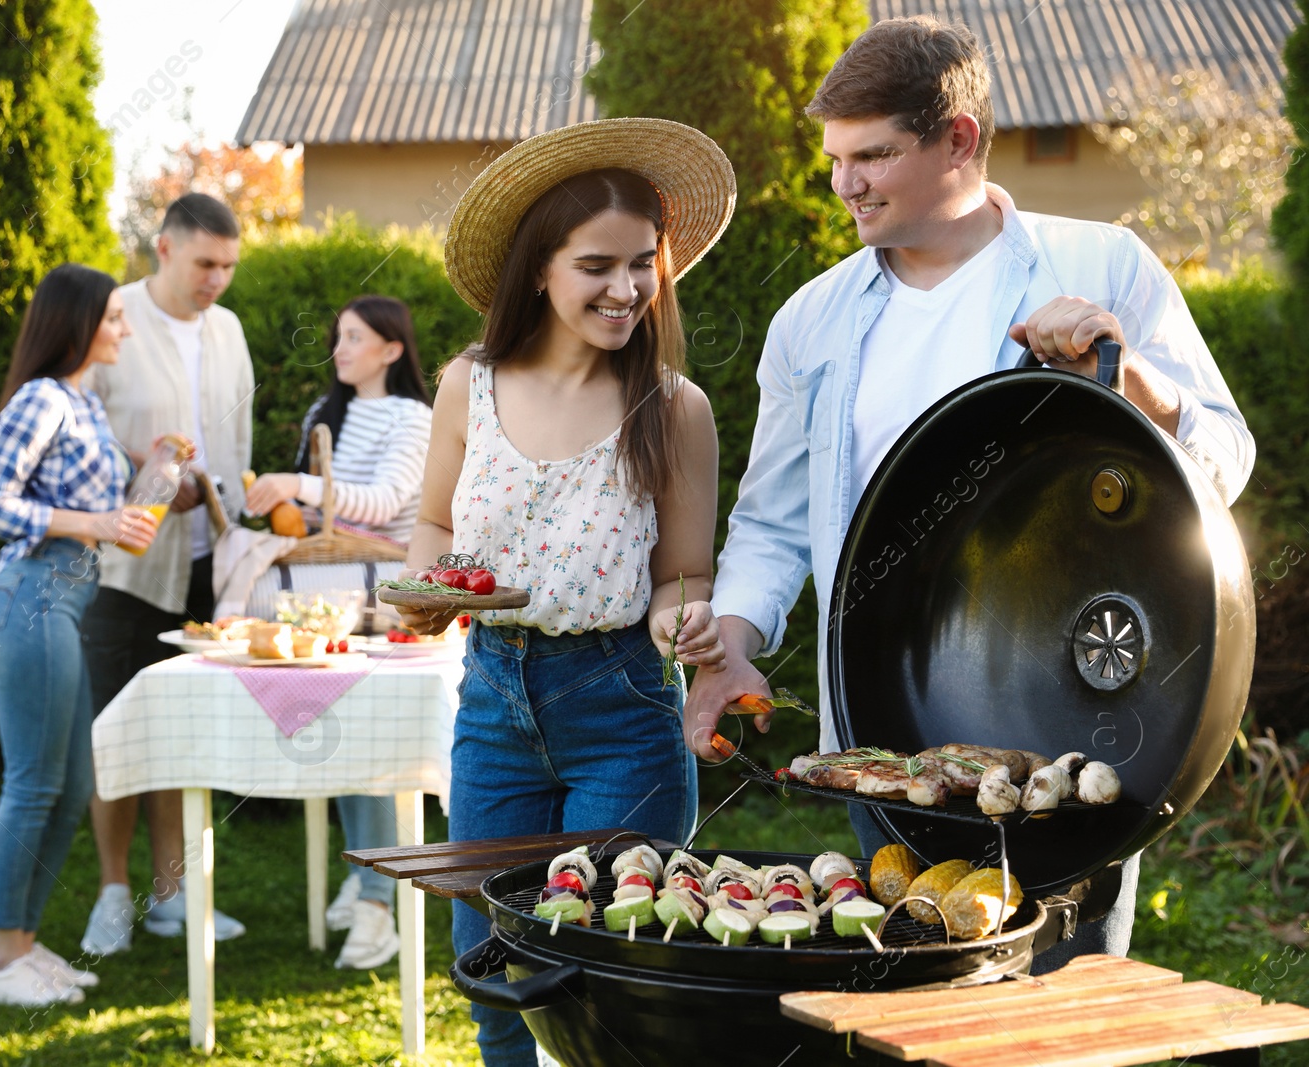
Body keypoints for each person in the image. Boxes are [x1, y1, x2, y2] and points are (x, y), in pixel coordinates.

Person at [685, 15, 1255, 973]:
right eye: (834, 158)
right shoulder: (810, 321)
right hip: (881, 743)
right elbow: (774, 523)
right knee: (903, 1015)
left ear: (958, 139)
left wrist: (1135, 378)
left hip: (1079, 749)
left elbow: (1225, 463)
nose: (843, 184)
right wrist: (731, 645)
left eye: (872, 155)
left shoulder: (1102, 265)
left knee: (1058, 1025)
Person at [395, 117, 735, 1066]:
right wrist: (428, 587)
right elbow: (433, 528)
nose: (627, 288)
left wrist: (686, 624)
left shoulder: (673, 409)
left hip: (622, 704)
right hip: (493, 699)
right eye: (598, 265)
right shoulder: (469, 384)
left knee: (615, 970)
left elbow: (681, 576)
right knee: (494, 970)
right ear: (539, 266)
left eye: (644, 263)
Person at [0, 264, 163, 1005]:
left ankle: (19, 941)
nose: (126, 328)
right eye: (114, 316)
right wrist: (96, 523)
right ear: (77, 322)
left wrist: (160, 466)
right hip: (28, 597)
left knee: (75, 781)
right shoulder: (42, 397)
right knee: (34, 783)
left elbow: (114, 518)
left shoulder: (81, 402)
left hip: (64, 600)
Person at [77, 193, 255, 956]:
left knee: (189, 737)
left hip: (206, 566)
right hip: (123, 566)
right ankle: (113, 893)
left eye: (228, 266)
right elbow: (74, 428)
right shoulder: (110, 315)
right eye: (205, 263)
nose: (218, 279)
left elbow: (237, 443)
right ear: (165, 249)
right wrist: (144, 471)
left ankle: (176, 896)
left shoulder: (231, 329)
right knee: (117, 730)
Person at [245, 294, 433, 969]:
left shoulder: (414, 416)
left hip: (383, 594)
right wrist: (283, 501)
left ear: (391, 348)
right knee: (345, 731)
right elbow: (316, 512)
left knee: (368, 734)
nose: (341, 348)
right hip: (332, 589)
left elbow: (383, 505)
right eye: (338, 336)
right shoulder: (328, 414)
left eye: (356, 337)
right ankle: (366, 880)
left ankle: (379, 903)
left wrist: (299, 484)